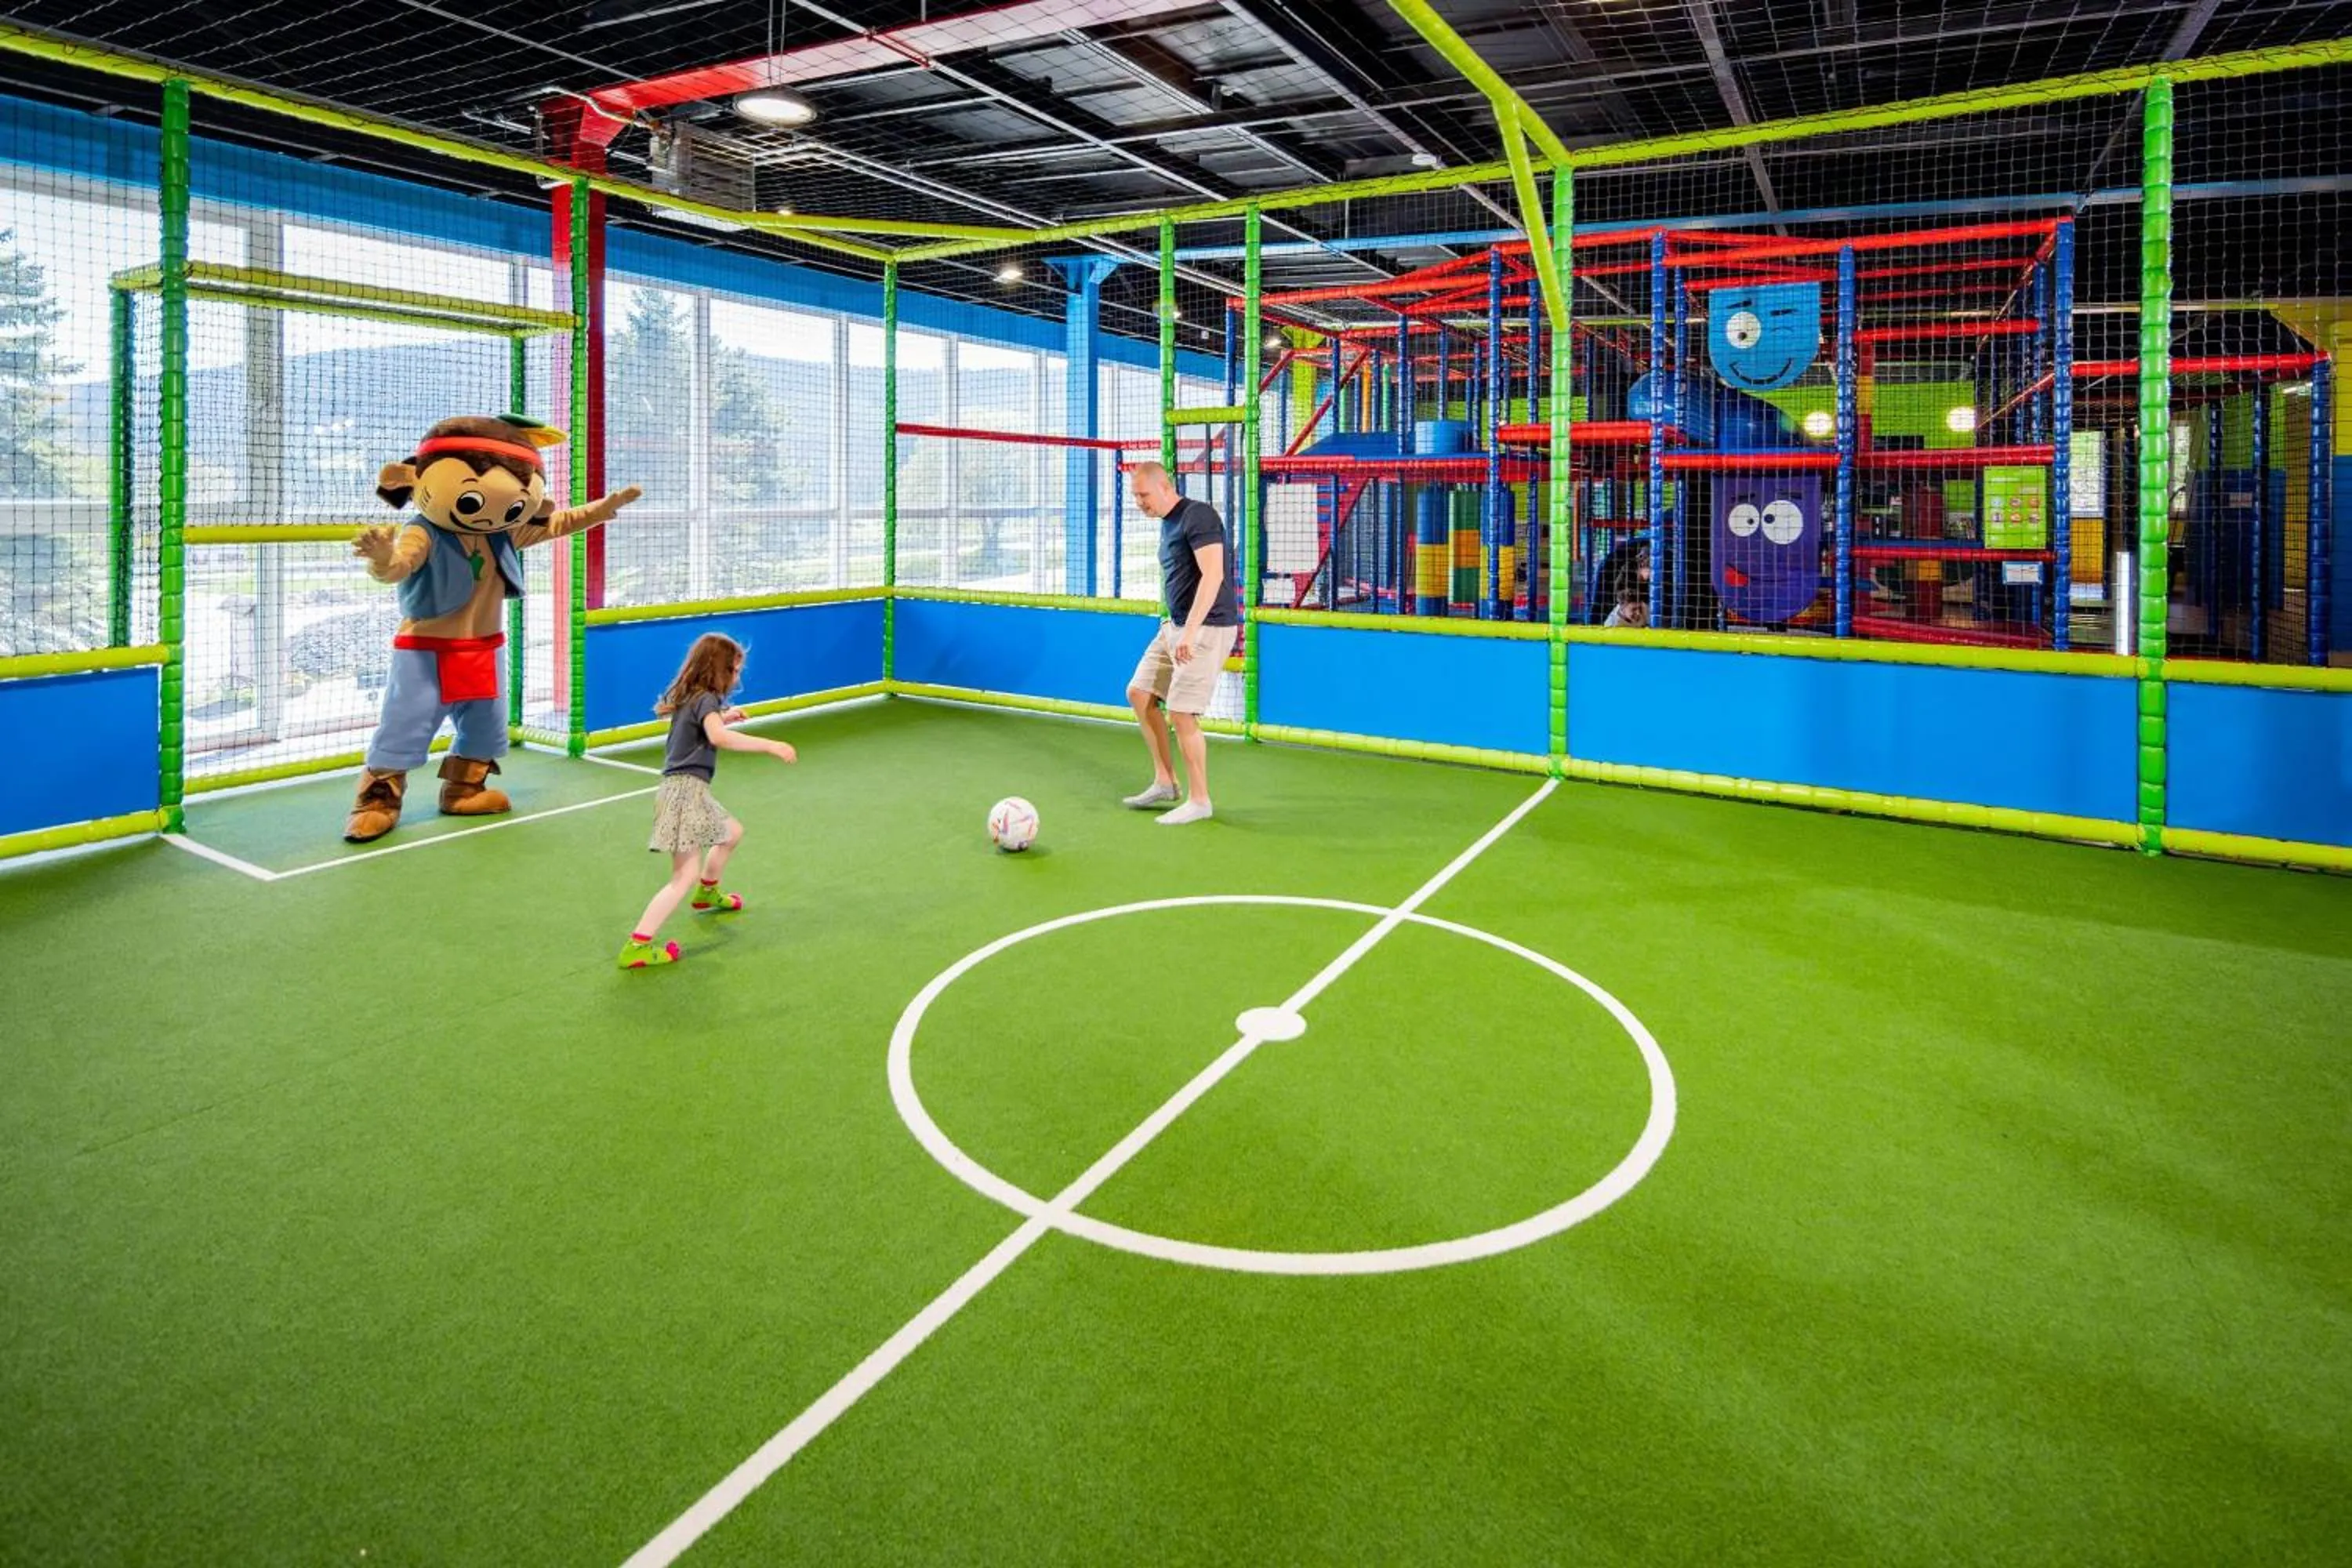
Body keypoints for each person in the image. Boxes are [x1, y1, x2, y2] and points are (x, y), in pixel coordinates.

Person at [619, 633, 796, 971]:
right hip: (686, 792)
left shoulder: (695, 698)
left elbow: (703, 729)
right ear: (719, 670)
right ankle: (637, 945)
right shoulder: (706, 700)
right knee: (682, 876)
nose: (737, 677)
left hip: (688, 790)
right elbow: (716, 737)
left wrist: (725, 717)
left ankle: (707, 893)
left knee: (731, 833)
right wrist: (771, 745)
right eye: (735, 670)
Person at [1122, 461, 1240, 826]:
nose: (1140, 502)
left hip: (1206, 628)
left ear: (1164, 486)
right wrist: (1175, 625)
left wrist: (1189, 631)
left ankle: (1200, 800)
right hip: (1176, 626)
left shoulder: (1198, 516)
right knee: (1140, 693)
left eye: (1143, 494)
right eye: (1135, 496)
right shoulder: (1168, 523)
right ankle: (1165, 781)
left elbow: (1213, 575)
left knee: (1182, 712)